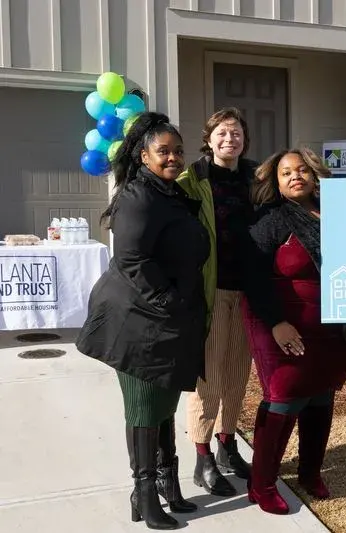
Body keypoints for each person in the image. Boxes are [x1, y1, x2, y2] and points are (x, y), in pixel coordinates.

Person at [76, 112, 209, 530]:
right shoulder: (138, 195)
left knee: (164, 403)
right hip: (138, 320)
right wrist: (169, 299)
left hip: (165, 319)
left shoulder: (168, 193)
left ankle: (168, 485)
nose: (173, 158)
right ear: (144, 155)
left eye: (178, 151)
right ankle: (144, 492)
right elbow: (131, 259)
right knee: (143, 409)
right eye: (163, 151)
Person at [239, 147, 346, 514]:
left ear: (314, 176)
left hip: (330, 322)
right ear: (277, 183)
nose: (295, 176)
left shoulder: (340, 216)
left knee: (321, 395)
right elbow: (252, 277)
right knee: (284, 396)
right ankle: (261, 484)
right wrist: (276, 324)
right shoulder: (270, 220)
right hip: (280, 322)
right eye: (286, 173)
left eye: (301, 170)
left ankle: (309, 473)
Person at [178, 107, 260, 496]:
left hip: (248, 290)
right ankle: (203, 456)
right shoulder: (192, 179)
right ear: (209, 139)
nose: (231, 138)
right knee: (207, 378)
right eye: (223, 132)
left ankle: (228, 445)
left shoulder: (257, 178)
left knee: (237, 375)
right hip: (210, 291)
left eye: (237, 132)